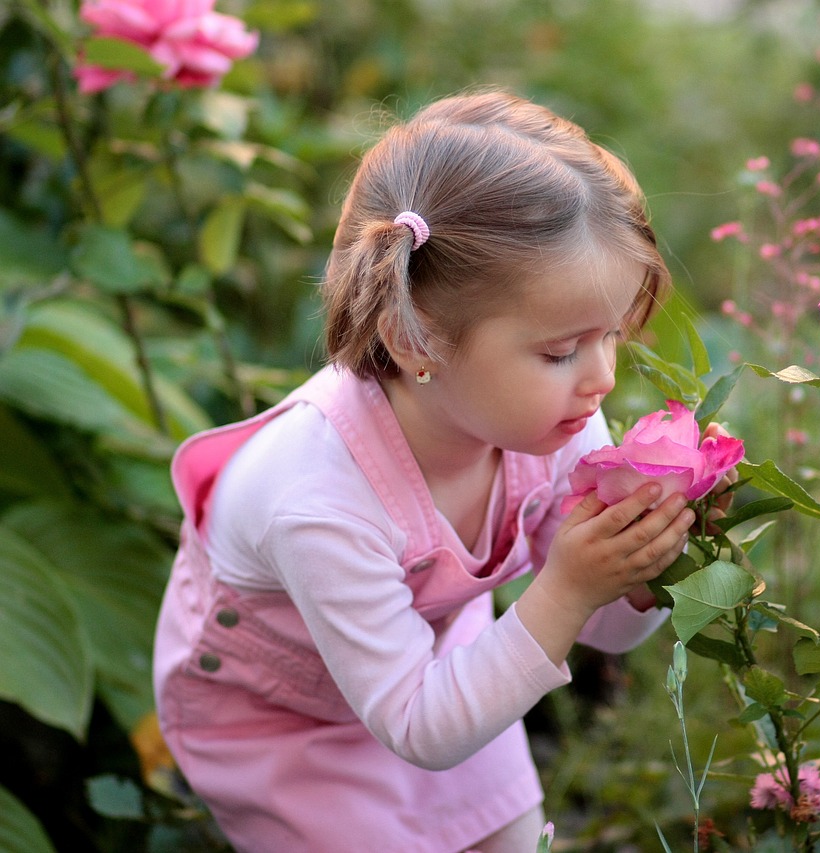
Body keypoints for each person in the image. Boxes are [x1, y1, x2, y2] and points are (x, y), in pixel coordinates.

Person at [153, 89, 714, 852]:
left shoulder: (554, 416)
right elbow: (421, 724)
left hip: (438, 662)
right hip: (286, 719)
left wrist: (643, 563)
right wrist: (569, 586)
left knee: (512, 838)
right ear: (416, 341)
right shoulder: (318, 498)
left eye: (610, 335)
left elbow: (605, 626)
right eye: (560, 350)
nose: (602, 376)